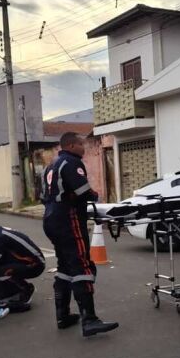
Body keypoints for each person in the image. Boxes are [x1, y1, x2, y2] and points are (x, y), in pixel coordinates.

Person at [42, 132, 118, 337]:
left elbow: (46, 196)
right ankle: (90, 319)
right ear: (72, 145)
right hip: (69, 219)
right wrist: (94, 196)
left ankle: (63, 315)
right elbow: (84, 191)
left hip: (51, 219)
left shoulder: (52, 165)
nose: (83, 149)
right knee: (82, 265)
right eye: (81, 144)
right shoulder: (71, 162)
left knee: (65, 266)